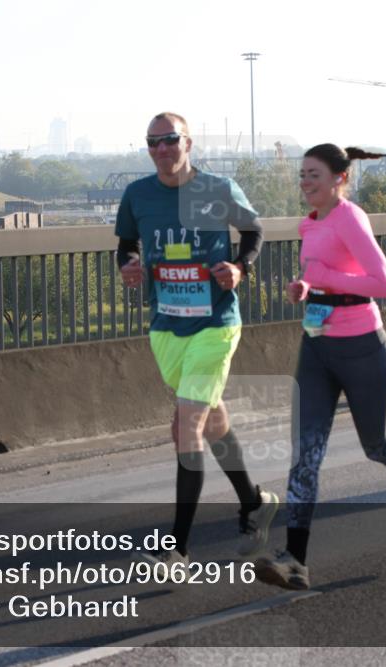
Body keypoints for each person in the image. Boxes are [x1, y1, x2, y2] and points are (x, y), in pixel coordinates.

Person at [254, 144, 386, 591]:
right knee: (305, 454)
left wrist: (323, 277)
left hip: (363, 347)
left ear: (340, 178)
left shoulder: (350, 217)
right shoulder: (309, 223)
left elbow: (384, 284)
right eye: (302, 175)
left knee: (376, 444)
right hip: (317, 348)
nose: (305, 183)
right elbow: (322, 275)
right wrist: (305, 286)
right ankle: (295, 560)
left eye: (314, 176)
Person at [116, 112, 279, 574]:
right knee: (210, 419)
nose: (162, 149)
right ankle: (254, 502)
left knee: (185, 427)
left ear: (188, 142)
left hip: (215, 324)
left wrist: (240, 267)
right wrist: (128, 264)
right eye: (153, 143)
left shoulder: (218, 189)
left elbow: (254, 231)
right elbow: (127, 242)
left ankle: (177, 550)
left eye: (170, 140)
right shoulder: (137, 195)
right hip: (166, 325)